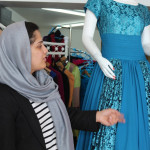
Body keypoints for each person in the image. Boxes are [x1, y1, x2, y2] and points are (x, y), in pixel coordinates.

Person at [0, 21, 125, 150]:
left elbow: (60, 115)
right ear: (21, 50)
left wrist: (97, 116)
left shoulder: (43, 82)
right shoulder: (5, 96)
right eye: (39, 46)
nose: (46, 50)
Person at [76, 0, 150, 150]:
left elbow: (146, 44)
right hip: (109, 70)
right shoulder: (98, 2)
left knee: (140, 122)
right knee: (109, 126)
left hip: (140, 74)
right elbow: (86, 37)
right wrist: (99, 57)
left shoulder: (143, 10)